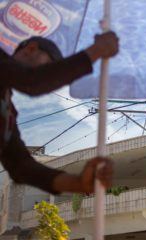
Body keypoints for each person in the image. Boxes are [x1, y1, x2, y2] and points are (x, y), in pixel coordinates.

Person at [0, 32, 119, 194]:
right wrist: (95, 52)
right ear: (31, 48)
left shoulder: (7, 112)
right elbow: (31, 80)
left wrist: (78, 183)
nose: (50, 81)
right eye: (47, 67)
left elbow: (21, 166)